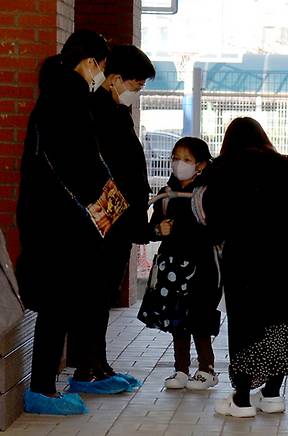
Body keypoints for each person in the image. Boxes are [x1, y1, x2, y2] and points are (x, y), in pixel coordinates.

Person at [16, 30, 115, 415]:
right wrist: (109, 205)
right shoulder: (69, 98)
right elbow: (81, 162)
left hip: (48, 218)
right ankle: (41, 387)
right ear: (89, 61)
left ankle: (45, 386)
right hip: (60, 221)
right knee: (58, 302)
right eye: (101, 67)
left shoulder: (56, 95)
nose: (100, 76)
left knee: (58, 301)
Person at [198, 117, 288, 418]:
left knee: (247, 325)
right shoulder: (285, 167)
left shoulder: (224, 168)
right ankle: (273, 395)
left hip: (248, 259)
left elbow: (213, 216)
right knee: (282, 321)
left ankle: (241, 400)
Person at [69, 44, 156, 392]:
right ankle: (87, 368)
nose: (135, 92)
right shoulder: (96, 113)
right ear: (115, 78)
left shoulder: (115, 112)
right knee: (95, 292)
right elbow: (106, 171)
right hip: (105, 221)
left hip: (119, 220)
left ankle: (99, 363)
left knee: (103, 293)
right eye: (136, 85)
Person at [147, 137, 222, 390]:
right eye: (176, 158)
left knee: (200, 318)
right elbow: (151, 228)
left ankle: (206, 369)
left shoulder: (208, 194)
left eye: (187, 160)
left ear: (200, 165)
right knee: (177, 320)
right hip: (172, 269)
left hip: (204, 269)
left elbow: (218, 230)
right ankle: (180, 369)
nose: (180, 164)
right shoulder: (165, 195)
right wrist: (159, 229)